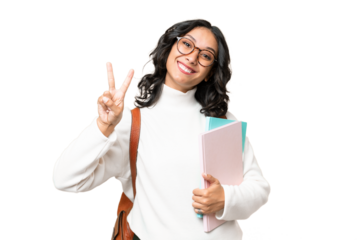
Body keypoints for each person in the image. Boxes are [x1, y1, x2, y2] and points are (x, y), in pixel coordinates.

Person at [52, 16, 271, 240]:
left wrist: (226, 198)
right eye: (186, 44)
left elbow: (260, 189)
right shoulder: (132, 122)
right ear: (169, 46)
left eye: (206, 55)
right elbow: (65, 180)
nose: (193, 57)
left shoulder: (222, 119)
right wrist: (103, 126)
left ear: (211, 72)